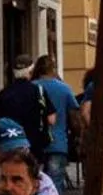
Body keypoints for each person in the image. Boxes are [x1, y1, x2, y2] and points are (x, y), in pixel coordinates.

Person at [32, 56, 81, 186]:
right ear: (53, 69)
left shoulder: (31, 87)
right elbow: (74, 116)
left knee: (34, 183)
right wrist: (78, 136)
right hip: (58, 143)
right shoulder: (64, 88)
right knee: (54, 185)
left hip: (34, 143)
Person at [0, 56, 49, 150]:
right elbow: (51, 119)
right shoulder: (38, 91)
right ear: (31, 72)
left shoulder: (5, 93)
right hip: (35, 144)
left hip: (10, 142)